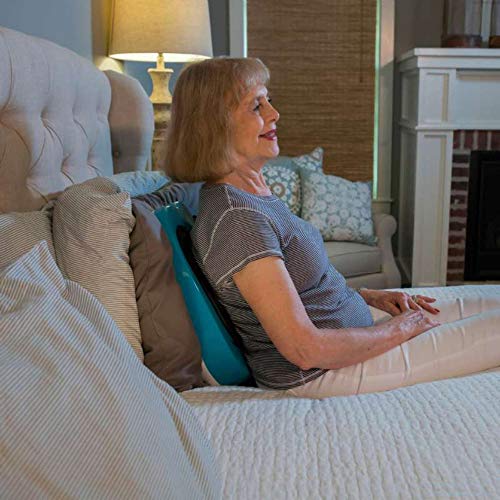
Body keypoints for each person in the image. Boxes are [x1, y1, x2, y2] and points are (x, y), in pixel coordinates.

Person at [163, 57, 500, 398]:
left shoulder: (252, 195)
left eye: (269, 100)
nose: (275, 113)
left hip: (350, 337)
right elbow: (304, 349)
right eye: (256, 105)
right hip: (322, 371)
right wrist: (401, 330)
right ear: (215, 125)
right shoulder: (237, 219)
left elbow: (300, 288)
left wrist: (368, 297)